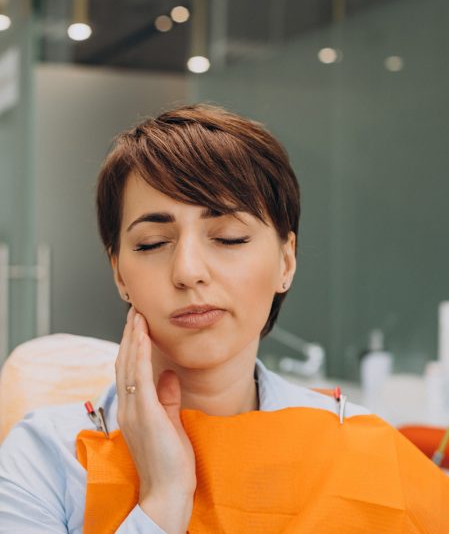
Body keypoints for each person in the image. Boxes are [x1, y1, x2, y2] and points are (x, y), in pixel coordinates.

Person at [0, 103, 448, 534]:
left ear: (286, 262)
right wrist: (163, 500)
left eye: (229, 237)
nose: (189, 271)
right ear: (119, 272)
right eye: (154, 243)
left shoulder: (361, 449)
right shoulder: (46, 458)